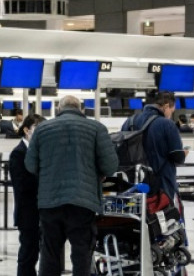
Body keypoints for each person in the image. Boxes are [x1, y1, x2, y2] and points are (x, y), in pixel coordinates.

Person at [25, 95, 118, 276]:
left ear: (59, 109)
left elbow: (30, 165)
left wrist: (48, 174)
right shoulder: (97, 128)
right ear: (81, 109)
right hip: (83, 201)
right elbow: (111, 166)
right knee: (82, 254)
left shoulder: (42, 129)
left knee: (49, 253)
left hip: (50, 201)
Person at [123, 91, 187, 207]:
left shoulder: (129, 122)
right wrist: (184, 153)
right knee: (163, 217)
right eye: (172, 111)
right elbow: (178, 157)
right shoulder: (167, 124)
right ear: (166, 106)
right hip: (161, 183)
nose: (170, 115)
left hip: (133, 181)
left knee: (137, 215)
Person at [9, 114, 45, 276]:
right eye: (38, 130)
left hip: (42, 210)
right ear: (26, 130)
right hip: (28, 212)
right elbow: (21, 186)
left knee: (36, 252)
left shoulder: (41, 152)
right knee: (28, 254)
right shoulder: (18, 153)